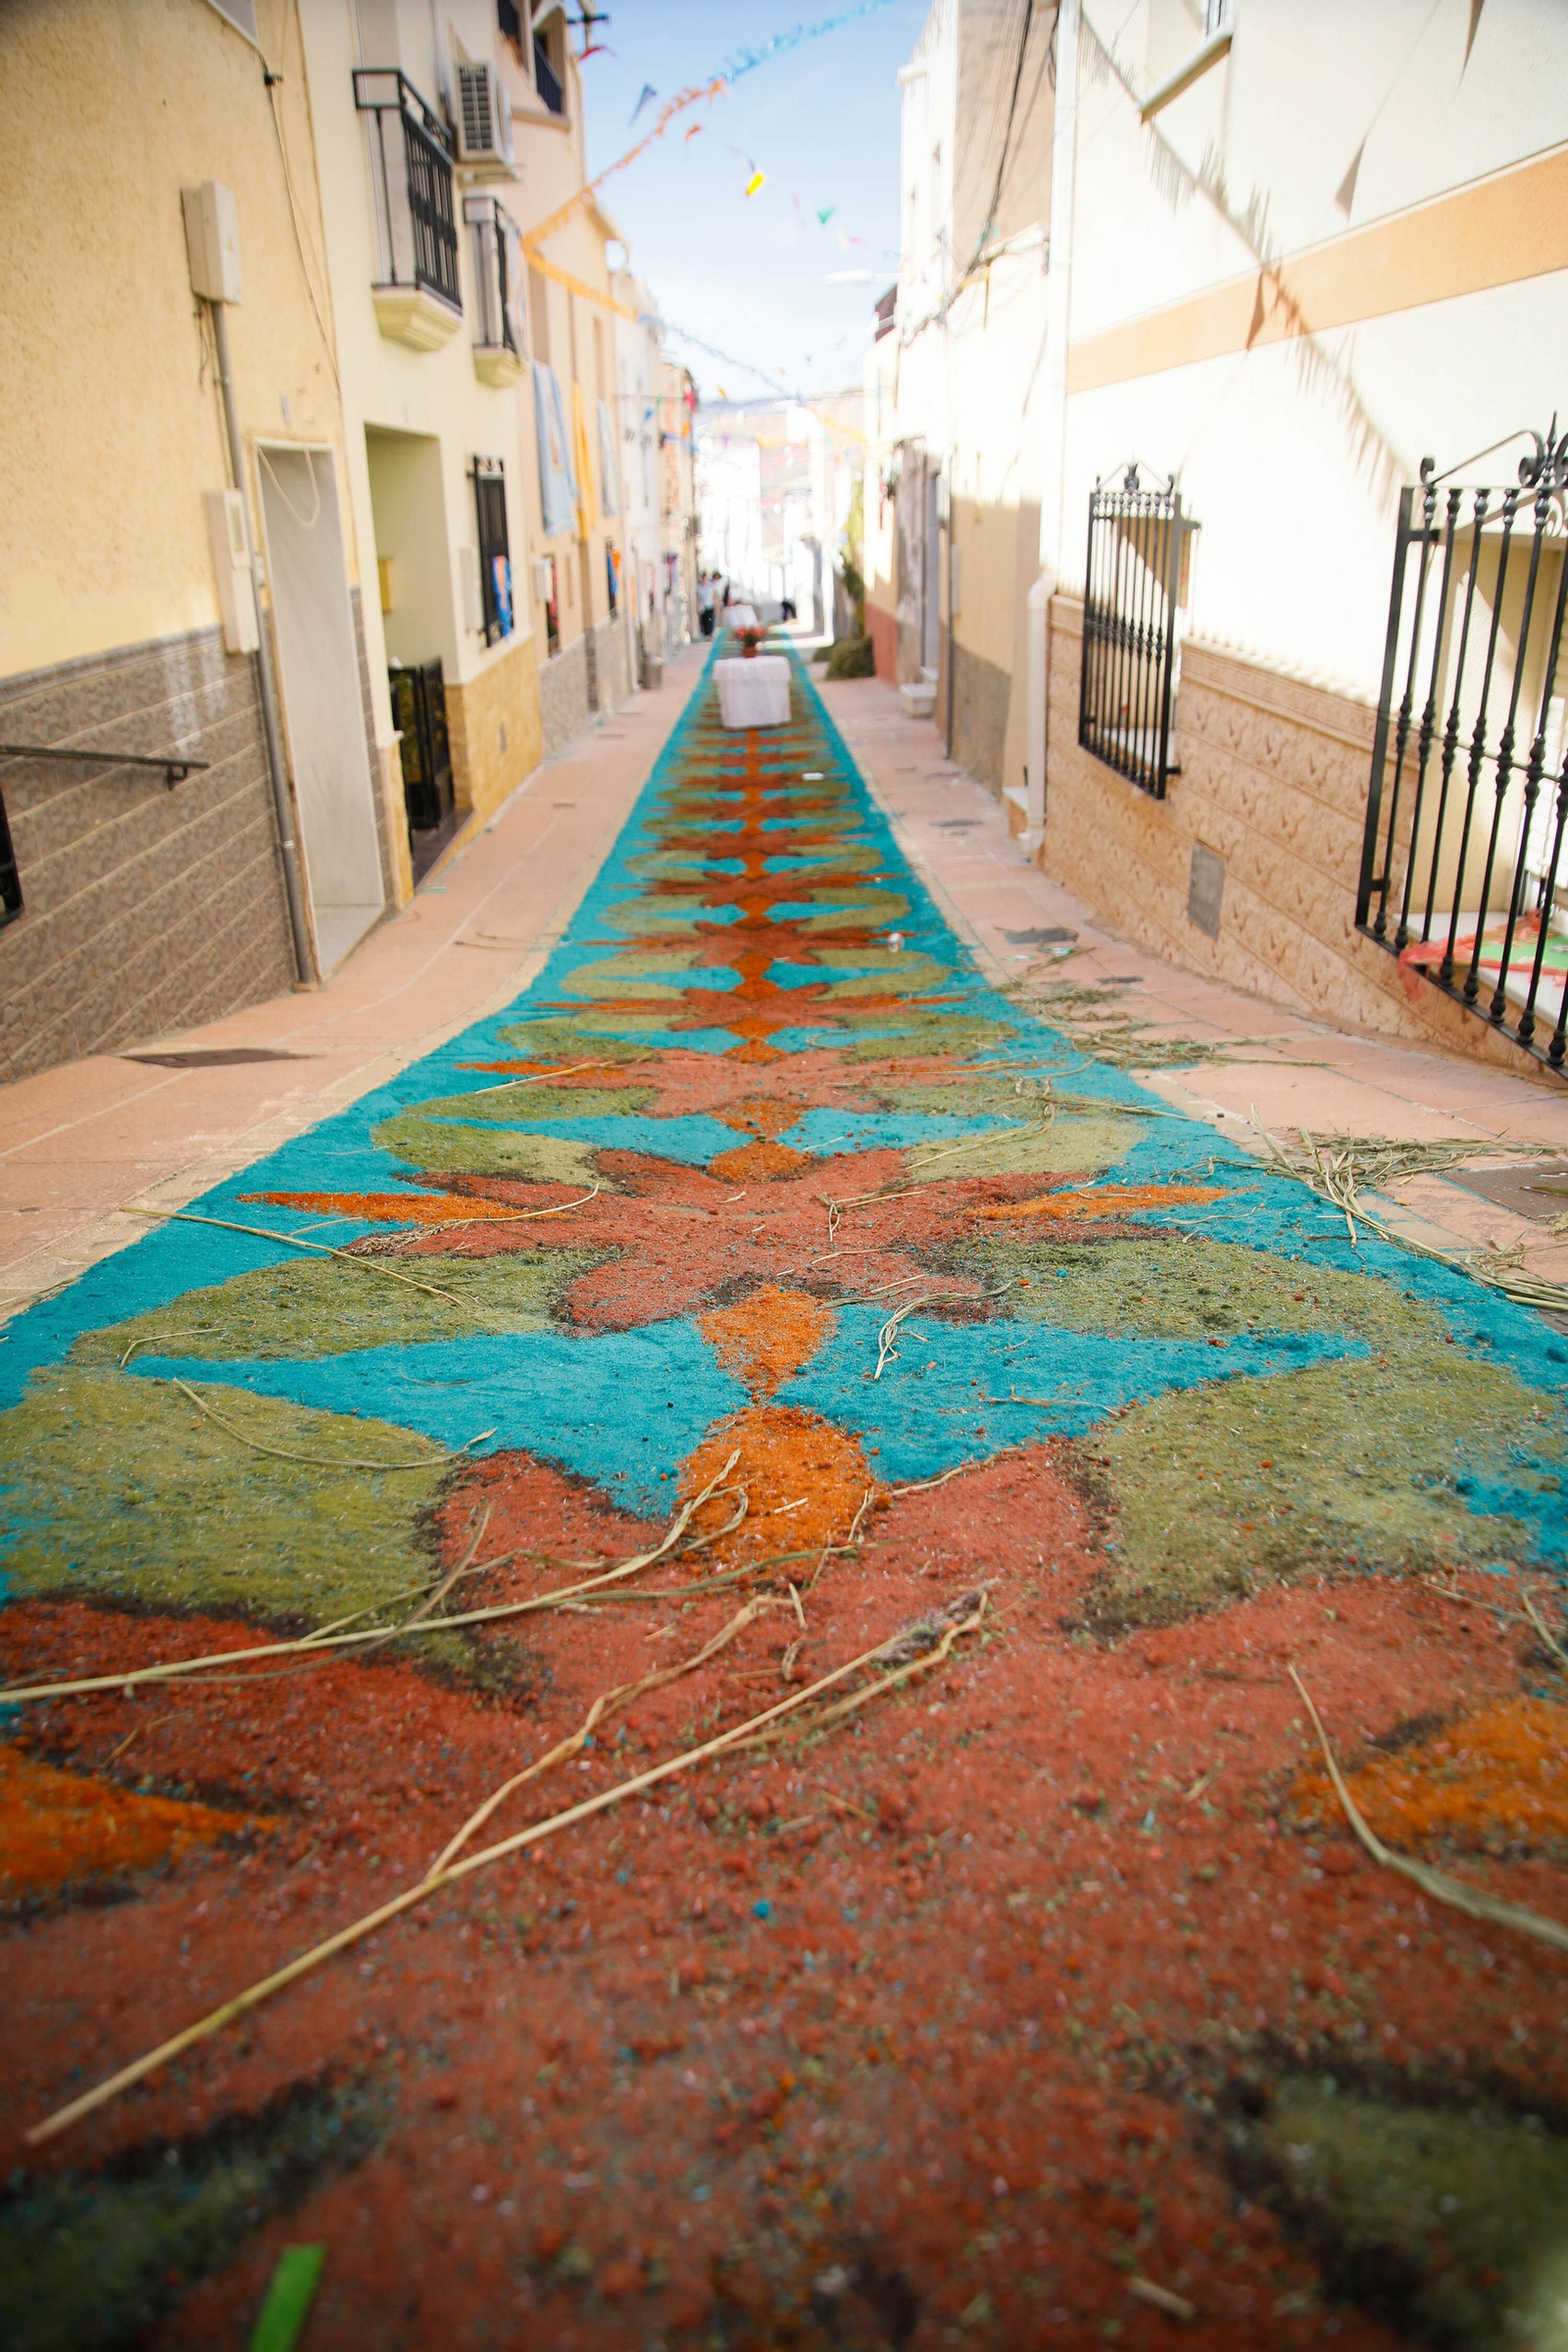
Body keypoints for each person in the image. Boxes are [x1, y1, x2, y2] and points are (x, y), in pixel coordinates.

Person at [697, 570, 715, 639]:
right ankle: (705, 634)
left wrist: (715, 605)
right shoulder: (699, 587)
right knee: (703, 620)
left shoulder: (710, 586)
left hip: (710, 605)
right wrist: (697, 605)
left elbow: (713, 596)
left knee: (710, 619)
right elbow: (697, 597)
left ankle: (710, 633)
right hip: (703, 606)